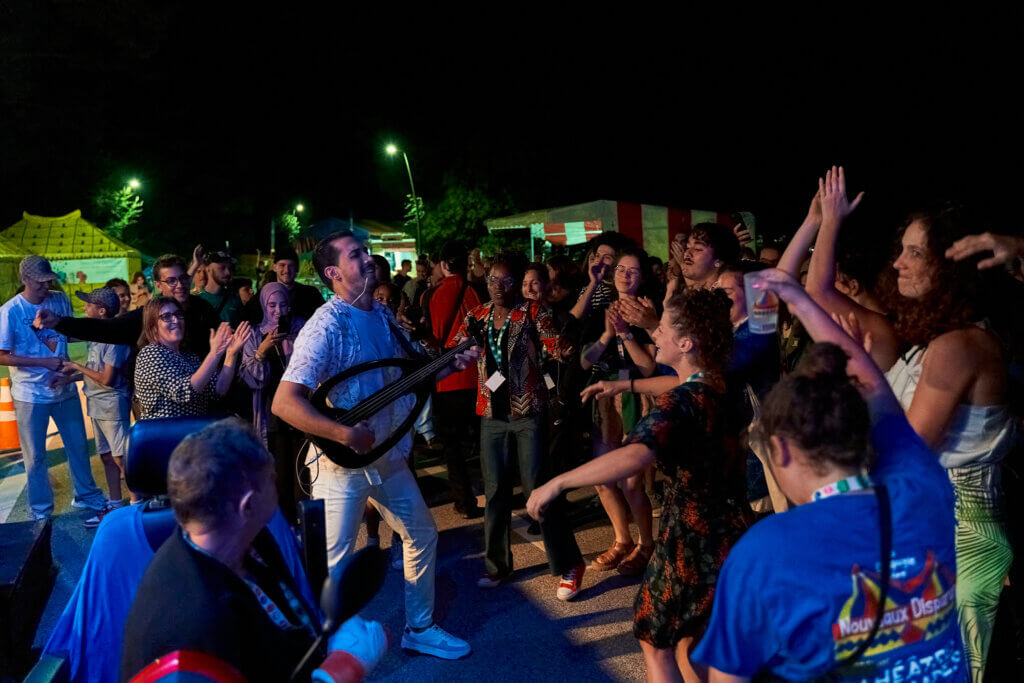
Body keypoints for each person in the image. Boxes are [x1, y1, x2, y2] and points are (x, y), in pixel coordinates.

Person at [691, 268, 968, 682]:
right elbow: (876, 390)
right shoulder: (923, 486)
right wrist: (798, 298)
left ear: (781, 448)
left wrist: (797, 298)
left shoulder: (764, 553)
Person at [272, 229, 477, 660]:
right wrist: (344, 434)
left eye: (365, 251)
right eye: (355, 254)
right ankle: (330, 649)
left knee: (422, 534)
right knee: (335, 563)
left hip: (387, 458)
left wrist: (450, 364)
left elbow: (409, 380)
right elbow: (284, 403)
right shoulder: (325, 326)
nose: (368, 259)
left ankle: (419, 627)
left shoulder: (382, 315)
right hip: (340, 464)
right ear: (333, 272)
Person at [528, 288, 750, 682]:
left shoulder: (682, 403)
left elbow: (635, 454)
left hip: (690, 540)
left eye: (662, 328)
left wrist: (559, 482)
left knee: (654, 633)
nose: (655, 334)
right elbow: (678, 387)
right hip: (731, 533)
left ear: (686, 342)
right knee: (696, 640)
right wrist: (623, 387)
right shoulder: (722, 383)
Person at [120, 418, 386, 682]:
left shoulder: (246, 540)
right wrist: (339, 672)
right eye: (271, 479)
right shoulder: (194, 632)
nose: (278, 487)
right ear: (247, 505)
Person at [460, 256, 586, 599]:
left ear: (515, 283)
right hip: (491, 413)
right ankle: (497, 565)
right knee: (495, 490)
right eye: (491, 281)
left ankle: (568, 564)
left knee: (536, 489)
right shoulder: (478, 315)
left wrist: (561, 349)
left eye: (504, 281)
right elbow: (457, 350)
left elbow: (551, 344)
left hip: (528, 411)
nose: (496, 287)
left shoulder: (533, 312)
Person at [0, 255, 107, 519]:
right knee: (35, 457)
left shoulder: (59, 300)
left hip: (63, 388)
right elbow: (2, 354)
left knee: (78, 447)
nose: (46, 287)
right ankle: (41, 511)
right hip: (29, 394)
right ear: (24, 280)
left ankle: (87, 496)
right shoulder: (11, 310)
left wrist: (103, 329)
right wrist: (43, 361)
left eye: (49, 281)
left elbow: (68, 333)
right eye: (40, 282)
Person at [579, 248, 658, 576]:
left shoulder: (648, 312)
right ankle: (621, 539)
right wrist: (607, 334)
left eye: (634, 271)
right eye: (621, 269)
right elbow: (585, 361)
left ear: (642, 278)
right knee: (602, 479)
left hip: (632, 395)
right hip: (602, 395)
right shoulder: (599, 309)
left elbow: (649, 368)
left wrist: (626, 333)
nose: (626, 275)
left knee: (630, 481)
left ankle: (646, 543)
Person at [35, 254, 222, 357]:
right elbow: (106, 328)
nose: (179, 285)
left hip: (203, 396)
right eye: (171, 281)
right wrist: (60, 322)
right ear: (158, 285)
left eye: (183, 279)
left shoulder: (204, 310)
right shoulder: (148, 314)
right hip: (159, 409)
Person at [62, 287, 136, 522]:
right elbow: (96, 370)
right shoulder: (97, 334)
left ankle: (137, 504)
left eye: (88, 305)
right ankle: (115, 505)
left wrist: (75, 366)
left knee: (121, 457)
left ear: (101, 311)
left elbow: (107, 378)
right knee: (106, 456)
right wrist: (69, 376)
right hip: (97, 403)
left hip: (112, 404)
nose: (84, 309)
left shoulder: (114, 339)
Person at [238, 282, 307, 520]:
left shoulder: (303, 329)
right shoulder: (255, 334)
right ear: (263, 305)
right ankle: (285, 528)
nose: (278, 310)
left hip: (302, 411)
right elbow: (250, 378)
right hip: (271, 416)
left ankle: (307, 528)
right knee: (278, 473)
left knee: (304, 472)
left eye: (284, 304)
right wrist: (262, 351)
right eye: (272, 304)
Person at [428, 242, 484, 519]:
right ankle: (496, 496)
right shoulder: (479, 289)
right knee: (484, 442)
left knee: (454, 448)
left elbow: (437, 336)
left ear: (444, 264)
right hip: (481, 376)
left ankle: (465, 501)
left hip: (450, 377)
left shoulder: (440, 293)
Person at [133, 297, 248, 420]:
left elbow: (219, 389)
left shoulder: (189, 355)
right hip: (166, 436)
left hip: (192, 434)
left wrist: (231, 353)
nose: (176, 320)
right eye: (166, 316)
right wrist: (215, 353)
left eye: (178, 314)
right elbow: (184, 393)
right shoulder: (150, 354)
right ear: (153, 325)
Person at [270, 246, 326, 321]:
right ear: (275, 267)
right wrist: (267, 332)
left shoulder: (311, 294)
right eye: (282, 265)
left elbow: (326, 320)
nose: (286, 270)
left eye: (291, 266)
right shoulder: (265, 295)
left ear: (297, 268)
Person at [197, 249, 244, 326]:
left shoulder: (235, 300)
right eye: (222, 268)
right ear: (208, 269)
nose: (228, 272)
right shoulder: (196, 300)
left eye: (229, 268)